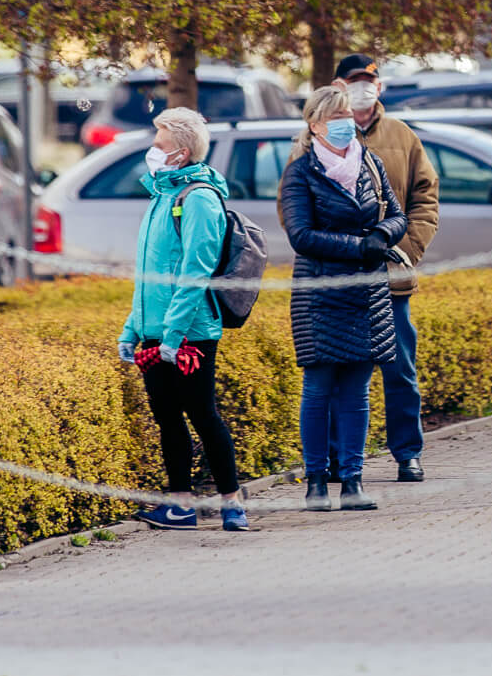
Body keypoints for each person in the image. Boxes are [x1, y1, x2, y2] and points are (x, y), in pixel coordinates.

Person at [278, 54, 440, 483]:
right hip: (329, 287)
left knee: (397, 371)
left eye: (370, 81)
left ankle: (406, 454)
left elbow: (419, 202)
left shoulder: (396, 139)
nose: (363, 89)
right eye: (355, 82)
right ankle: (330, 467)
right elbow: (297, 225)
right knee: (330, 384)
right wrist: (355, 248)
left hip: (384, 279)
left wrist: (396, 247)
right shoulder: (301, 161)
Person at [118, 108, 249, 532]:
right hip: (156, 333)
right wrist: (132, 329)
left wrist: (174, 336)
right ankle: (180, 505)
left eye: (159, 145)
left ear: (182, 151)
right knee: (167, 418)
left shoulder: (199, 200)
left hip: (189, 333)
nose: (152, 152)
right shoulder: (161, 197)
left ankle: (233, 503)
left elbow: (195, 270)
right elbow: (149, 277)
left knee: (202, 414)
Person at [280, 85, 407, 511]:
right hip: (320, 294)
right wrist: (358, 247)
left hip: (366, 294)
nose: (344, 123)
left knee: (358, 392)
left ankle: (352, 482)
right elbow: (301, 236)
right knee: (317, 390)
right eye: (334, 118)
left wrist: (382, 235)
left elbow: (396, 212)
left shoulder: (369, 162)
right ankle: (316, 482)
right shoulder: (300, 172)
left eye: (347, 115)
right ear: (314, 125)